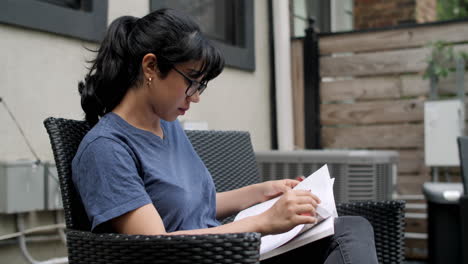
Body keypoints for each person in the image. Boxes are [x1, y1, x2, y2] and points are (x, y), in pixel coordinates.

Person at [72, 8, 378, 264]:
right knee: (345, 237)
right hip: (205, 256)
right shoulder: (106, 149)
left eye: (201, 85)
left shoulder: (168, 127)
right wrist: (262, 222)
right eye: (192, 81)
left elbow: (196, 205)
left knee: (348, 228)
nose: (195, 97)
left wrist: (264, 191)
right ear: (151, 66)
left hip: (227, 251)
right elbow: (154, 244)